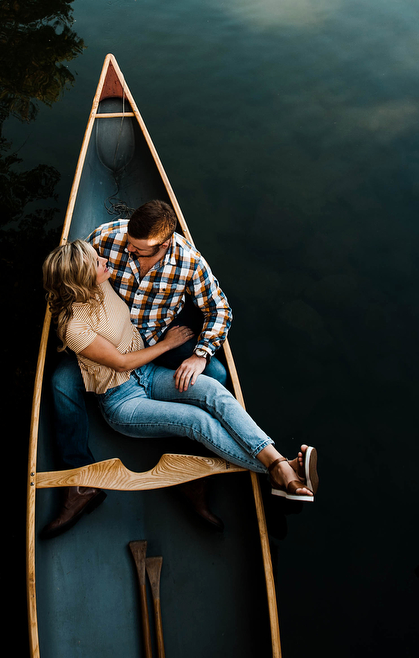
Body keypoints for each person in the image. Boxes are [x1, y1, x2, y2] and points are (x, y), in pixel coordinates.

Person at [40, 239, 319, 534]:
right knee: (196, 420)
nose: (104, 260)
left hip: (147, 374)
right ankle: (276, 472)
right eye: (97, 262)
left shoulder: (100, 283)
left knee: (212, 389)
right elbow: (121, 363)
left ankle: (279, 463)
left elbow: (102, 244)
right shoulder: (73, 327)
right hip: (122, 401)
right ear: (81, 280)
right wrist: (167, 344)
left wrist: (158, 242)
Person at [42, 201, 233, 538]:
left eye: (138, 249)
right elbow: (74, 274)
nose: (127, 249)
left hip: (158, 339)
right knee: (60, 382)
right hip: (106, 342)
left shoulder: (189, 263)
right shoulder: (108, 237)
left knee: (216, 374)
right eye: (128, 242)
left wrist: (200, 355)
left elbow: (219, 309)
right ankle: (80, 482)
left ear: (165, 244)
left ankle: (191, 475)